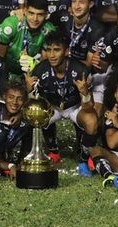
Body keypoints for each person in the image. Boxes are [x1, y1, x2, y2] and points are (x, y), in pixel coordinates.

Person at [25, 32, 98, 176]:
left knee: (92, 120)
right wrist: (29, 90)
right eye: (49, 50)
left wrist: (84, 93)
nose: (52, 55)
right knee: (35, 114)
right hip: (53, 107)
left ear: (66, 51)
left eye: (56, 50)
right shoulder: (40, 70)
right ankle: (53, 151)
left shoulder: (81, 71)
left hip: (75, 107)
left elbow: (89, 108)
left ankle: (84, 159)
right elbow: (33, 103)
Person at [0, 0, 56, 79]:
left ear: (46, 15)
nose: (35, 19)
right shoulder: (10, 25)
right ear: (25, 11)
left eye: (40, 14)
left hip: (30, 74)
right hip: (5, 71)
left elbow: (44, 62)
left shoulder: (49, 31)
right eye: (31, 13)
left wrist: (35, 65)